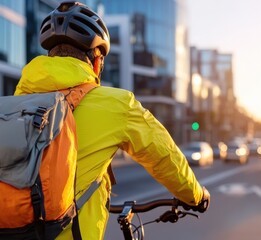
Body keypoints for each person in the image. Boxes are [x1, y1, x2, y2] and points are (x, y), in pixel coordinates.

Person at [14, 1, 210, 239]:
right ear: (96, 62)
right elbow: (164, 155)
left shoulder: (14, 103)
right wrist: (196, 195)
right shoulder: (116, 104)